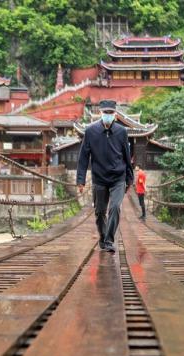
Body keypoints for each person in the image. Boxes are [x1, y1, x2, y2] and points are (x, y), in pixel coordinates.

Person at [77, 100, 133, 253]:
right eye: (105, 113)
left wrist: (130, 178)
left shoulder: (122, 132)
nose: (108, 115)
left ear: (115, 114)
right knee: (100, 212)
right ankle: (103, 238)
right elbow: (83, 157)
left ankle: (109, 240)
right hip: (99, 178)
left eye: (110, 113)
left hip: (118, 178)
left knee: (115, 207)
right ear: (100, 113)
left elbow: (127, 157)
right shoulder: (90, 131)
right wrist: (80, 180)